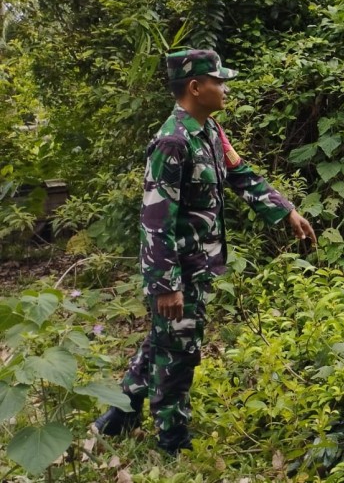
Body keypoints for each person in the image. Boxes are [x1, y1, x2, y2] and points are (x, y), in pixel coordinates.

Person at [94, 49, 316, 454]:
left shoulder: (210, 132)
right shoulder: (173, 142)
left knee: (165, 341)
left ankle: (119, 413)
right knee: (178, 358)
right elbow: (155, 220)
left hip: (199, 264)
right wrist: (165, 286)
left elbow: (241, 175)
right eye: (218, 81)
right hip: (177, 269)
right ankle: (171, 442)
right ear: (196, 88)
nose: (224, 88)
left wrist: (287, 212)